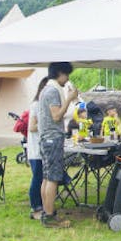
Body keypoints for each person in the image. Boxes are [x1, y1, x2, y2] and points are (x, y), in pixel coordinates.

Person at [38, 62, 78, 228]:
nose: (67, 79)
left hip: (45, 138)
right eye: (66, 75)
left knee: (47, 177)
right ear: (60, 73)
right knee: (53, 178)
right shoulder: (53, 90)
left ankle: (46, 213)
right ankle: (49, 216)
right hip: (53, 138)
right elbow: (56, 116)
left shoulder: (45, 89)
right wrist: (69, 98)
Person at [27, 76, 49, 220]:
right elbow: (32, 127)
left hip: (44, 148)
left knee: (43, 178)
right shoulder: (36, 105)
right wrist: (47, 125)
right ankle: (36, 207)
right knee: (38, 178)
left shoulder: (45, 105)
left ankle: (44, 206)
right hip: (36, 149)